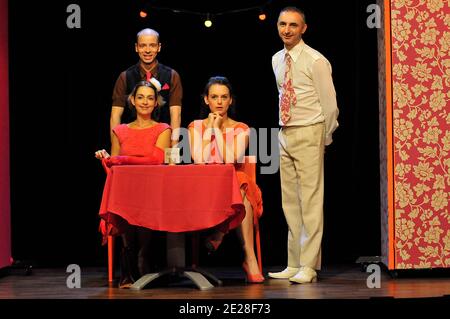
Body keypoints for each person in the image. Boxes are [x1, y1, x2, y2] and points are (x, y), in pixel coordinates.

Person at [268, 7, 339, 284]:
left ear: (303, 28)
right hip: (285, 131)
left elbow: (330, 105)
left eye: (293, 25)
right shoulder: (276, 59)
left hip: (310, 130)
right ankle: (294, 261)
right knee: (290, 202)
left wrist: (325, 137)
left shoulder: (315, 60)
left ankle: (308, 265)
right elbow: (284, 94)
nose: (287, 30)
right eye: (283, 24)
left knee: (310, 201)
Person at [188, 76, 264, 283]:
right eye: (214, 97)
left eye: (224, 97)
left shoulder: (242, 128)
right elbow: (200, 160)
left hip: (233, 189)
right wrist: (211, 129)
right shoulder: (195, 126)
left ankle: (235, 246)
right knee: (240, 182)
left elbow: (230, 159)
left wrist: (218, 131)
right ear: (206, 100)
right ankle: (234, 245)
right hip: (203, 190)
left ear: (231, 100)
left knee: (240, 181)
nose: (219, 102)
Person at [96, 80, 171, 288]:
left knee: (142, 198)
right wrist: (107, 158)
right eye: (140, 97)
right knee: (126, 199)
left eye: (150, 98)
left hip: (153, 188)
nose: (145, 102)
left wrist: (119, 160)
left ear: (156, 103)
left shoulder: (163, 129)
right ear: (132, 100)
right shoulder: (120, 130)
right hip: (126, 189)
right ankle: (131, 257)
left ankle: (141, 256)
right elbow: (114, 166)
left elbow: (156, 160)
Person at [110, 28, 182, 147]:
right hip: (132, 142)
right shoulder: (125, 76)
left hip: (162, 142)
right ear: (136, 47)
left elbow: (176, 116)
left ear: (158, 47)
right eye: (143, 46)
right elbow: (115, 116)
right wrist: (115, 151)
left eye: (152, 45)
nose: (147, 50)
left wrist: (172, 155)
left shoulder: (172, 75)